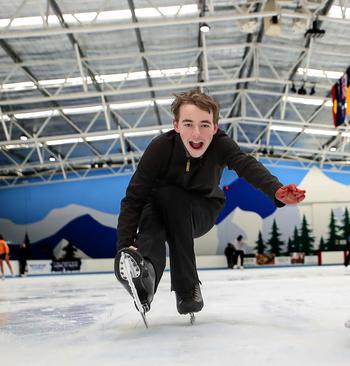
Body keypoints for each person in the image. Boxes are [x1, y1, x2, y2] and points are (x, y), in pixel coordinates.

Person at [114, 89, 306, 319]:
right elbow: (134, 198)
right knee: (153, 215)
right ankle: (145, 276)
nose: (197, 133)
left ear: (215, 128)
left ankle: (187, 288)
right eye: (188, 124)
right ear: (176, 126)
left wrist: (276, 190)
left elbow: (245, 164)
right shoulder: (160, 148)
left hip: (202, 210)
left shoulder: (220, 144)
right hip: (159, 209)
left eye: (205, 125)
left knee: (172, 197)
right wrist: (126, 247)